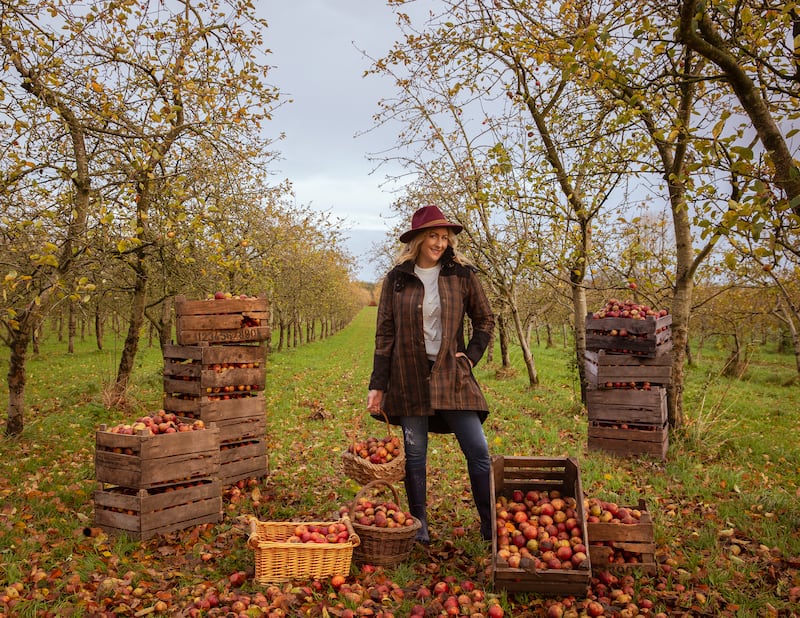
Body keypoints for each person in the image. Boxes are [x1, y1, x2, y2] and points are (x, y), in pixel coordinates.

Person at [367, 204, 495, 544]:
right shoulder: (397, 279)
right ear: (418, 240)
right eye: (433, 236)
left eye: (444, 237)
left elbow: (485, 320)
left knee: (478, 449)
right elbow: (385, 334)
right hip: (408, 375)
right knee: (415, 454)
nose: (440, 243)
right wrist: (377, 386)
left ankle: (489, 523)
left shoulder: (461, 275)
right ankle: (419, 524)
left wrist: (470, 357)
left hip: (451, 374)